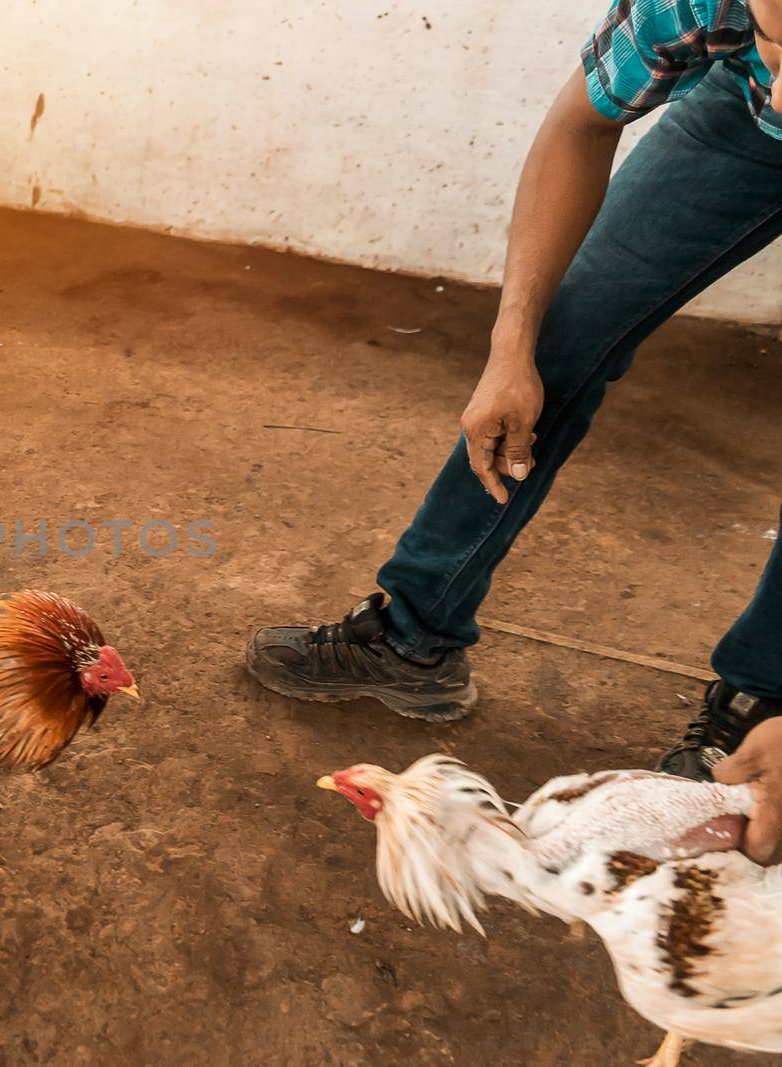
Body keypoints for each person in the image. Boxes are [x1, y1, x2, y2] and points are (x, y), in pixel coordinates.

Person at [246, 0, 782, 866]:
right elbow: (577, 126)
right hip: (738, 114)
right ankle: (414, 632)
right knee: (560, 339)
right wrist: (510, 348)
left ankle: (767, 701)